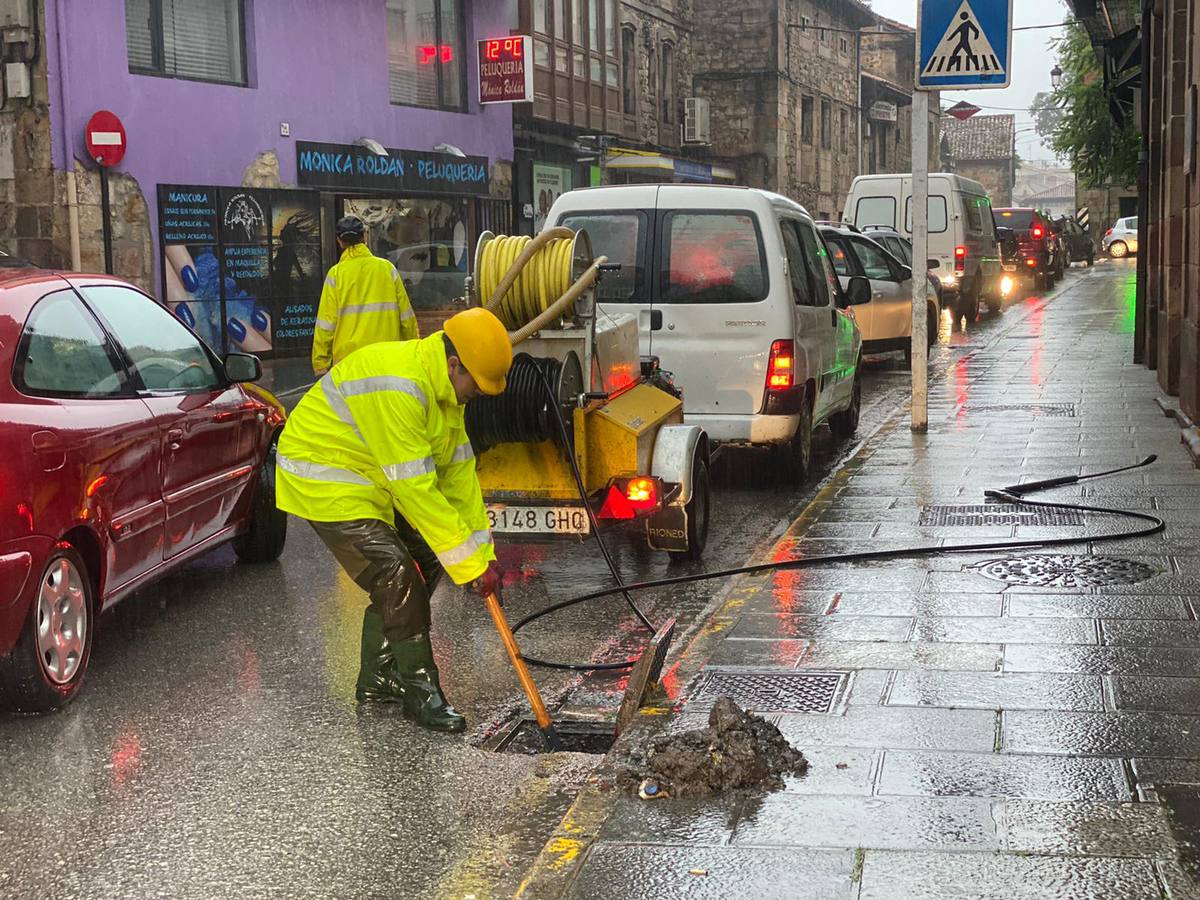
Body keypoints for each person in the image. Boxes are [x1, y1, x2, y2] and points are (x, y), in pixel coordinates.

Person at [276, 307, 513, 733]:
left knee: (424, 556)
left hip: (368, 477)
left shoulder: (445, 392)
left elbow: (459, 477)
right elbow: (415, 489)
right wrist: (470, 567)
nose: (476, 395)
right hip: (323, 473)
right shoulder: (401, 386)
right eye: (475, 387)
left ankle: (379, 678)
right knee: (397, 572)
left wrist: (483, 555)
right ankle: (421, 693)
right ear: (454, 364)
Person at [312, 215, 419, 377]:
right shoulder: (387, 269)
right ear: (364, 237)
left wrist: (320, 365)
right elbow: (407, 319)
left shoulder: (336, 275)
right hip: (387, 360)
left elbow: (325, 326)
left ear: (339, 241)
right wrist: (413, 353)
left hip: (349, 366)